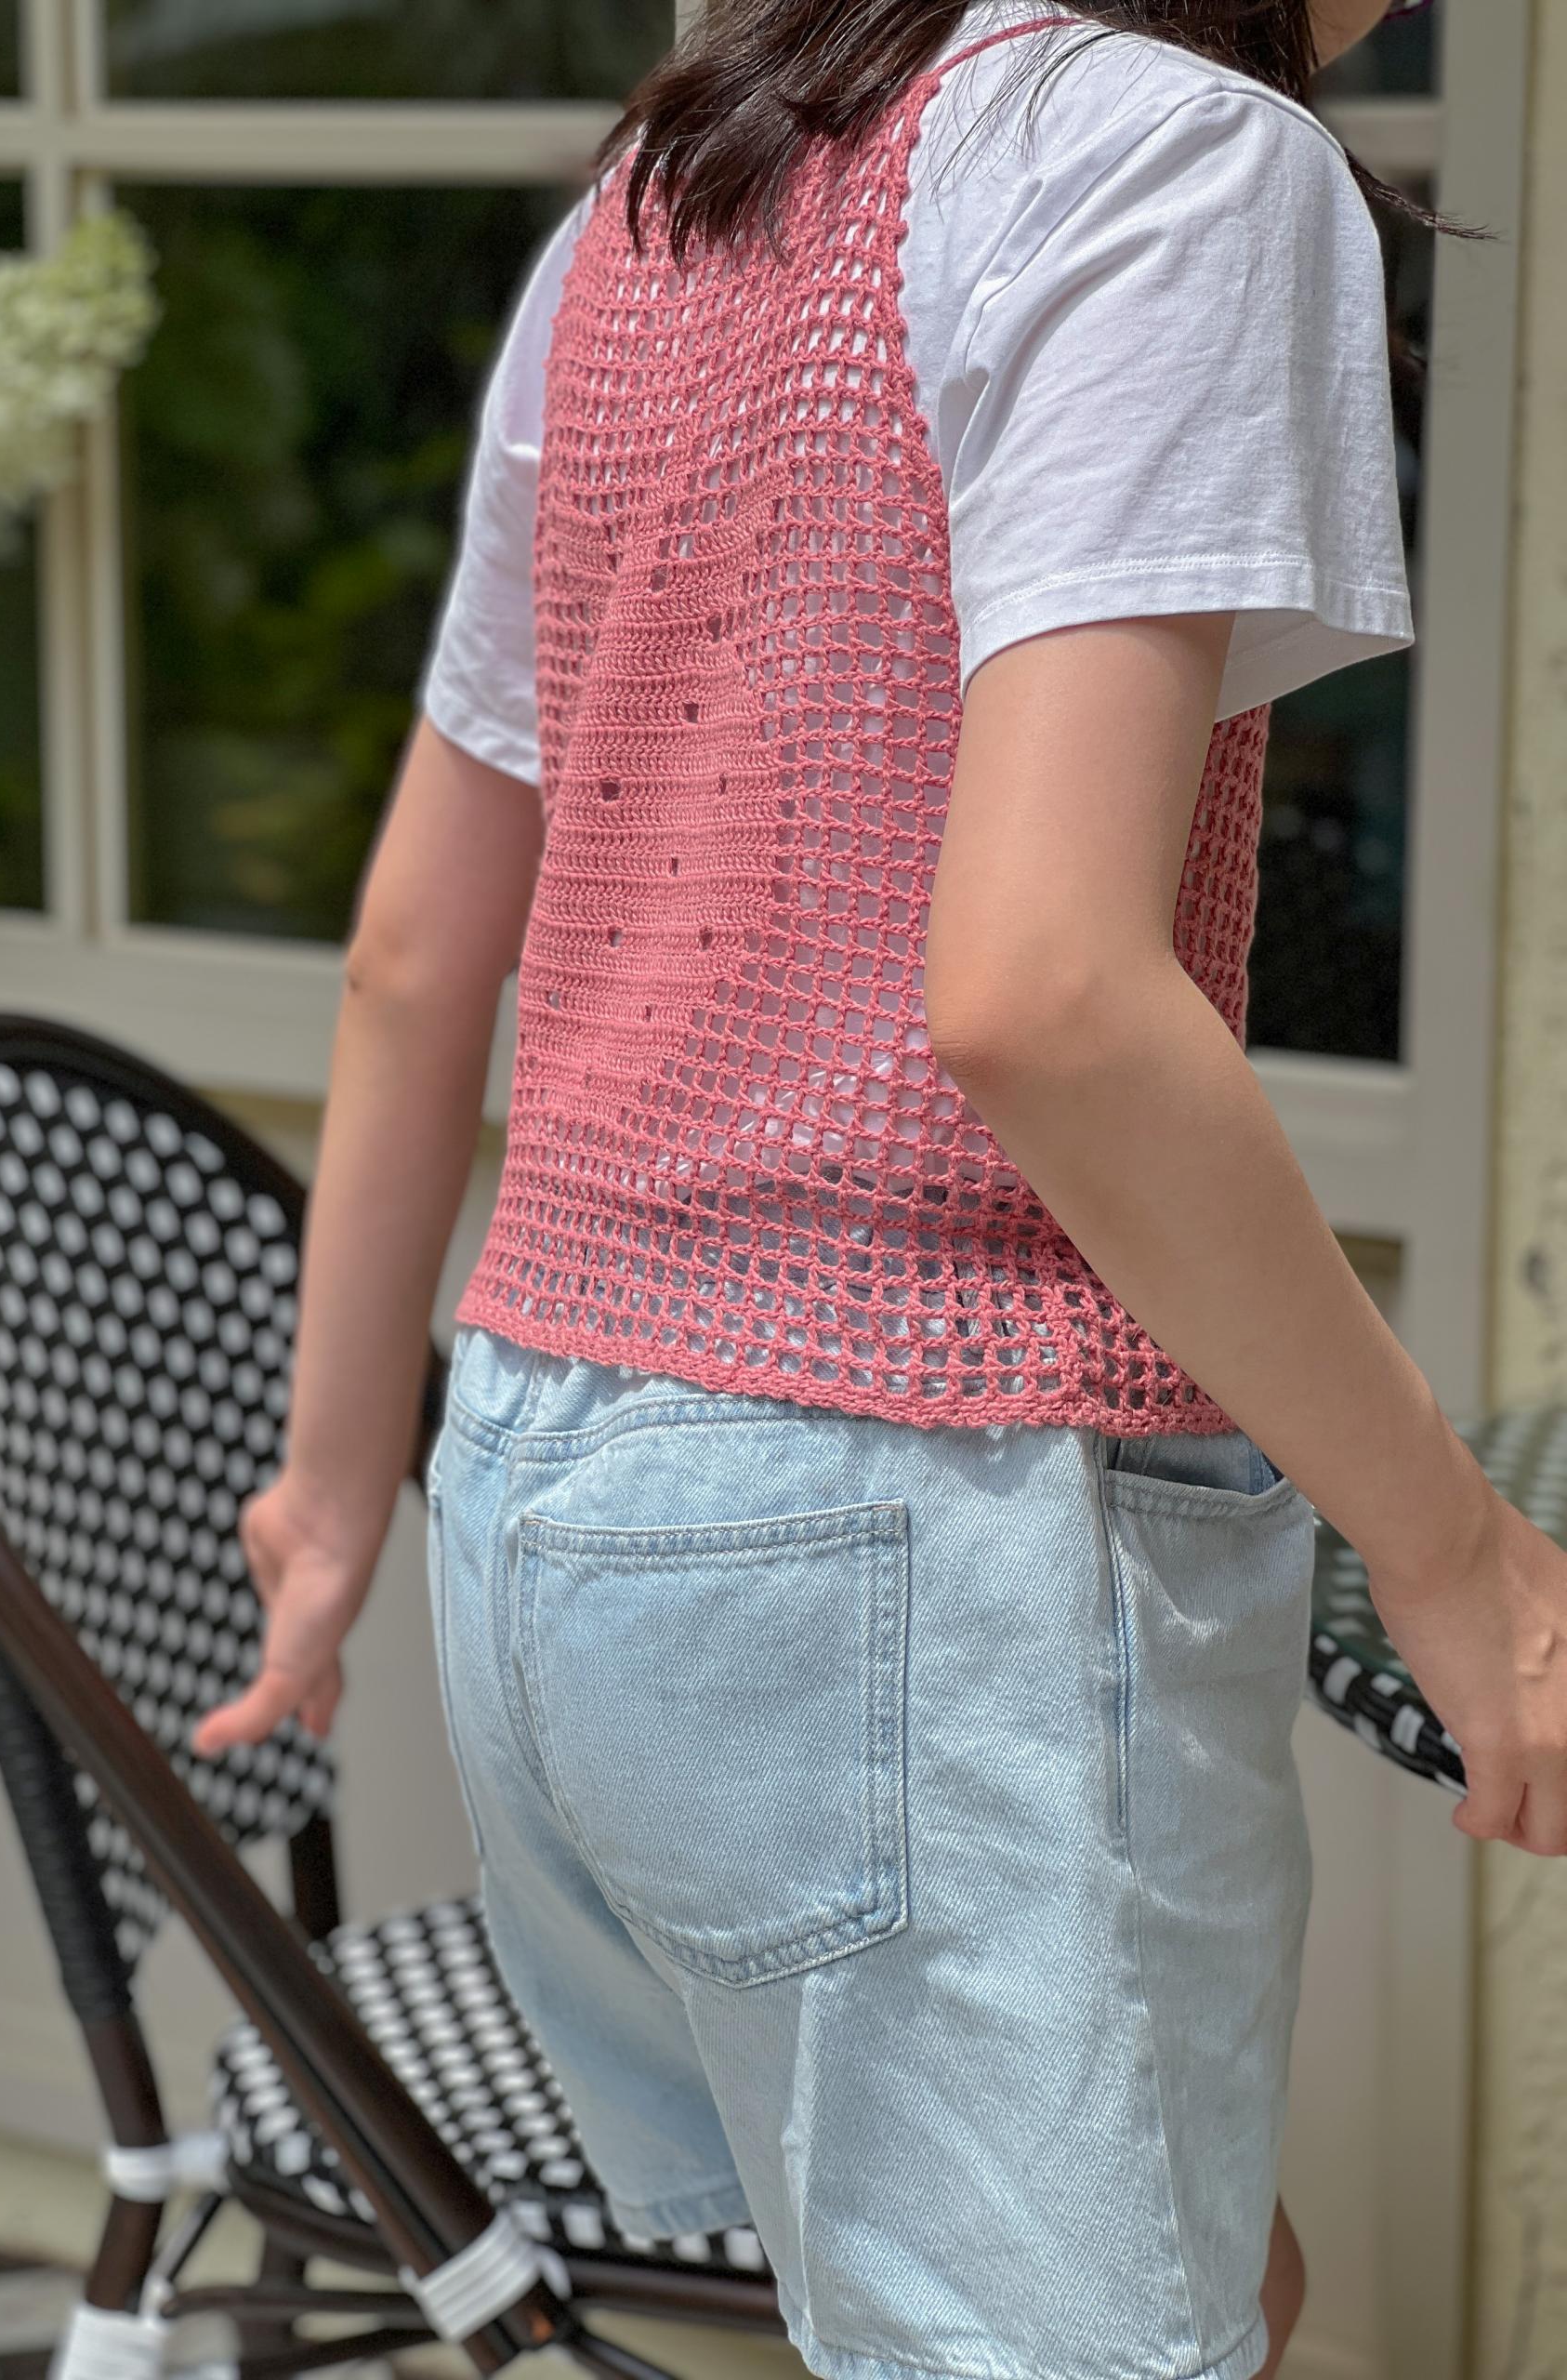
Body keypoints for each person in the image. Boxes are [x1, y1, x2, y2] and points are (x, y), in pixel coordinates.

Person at [194, 3, 1567, 2375]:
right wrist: (1467, 1561)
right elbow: (1047, 992)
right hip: (903, 1512)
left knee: (1187, 2283)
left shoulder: (659, 206)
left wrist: (333, 1493)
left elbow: (415, 952)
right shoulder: (1172, 155)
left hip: (550, 1516)